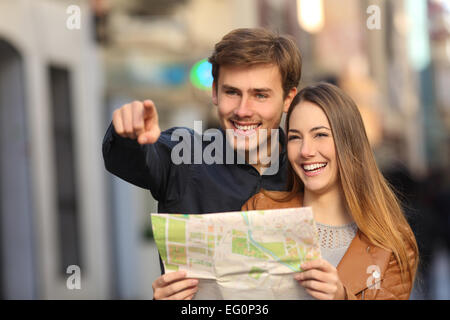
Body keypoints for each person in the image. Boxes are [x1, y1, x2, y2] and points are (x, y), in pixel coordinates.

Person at [102, 28, 301, 300]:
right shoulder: (186, 158)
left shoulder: (307, 170)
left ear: (288, 99)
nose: (243, 110)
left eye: (260, 95)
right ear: (215, 93)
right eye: (232, 92)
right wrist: (129, 132)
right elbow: (134, 157)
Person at [242, 82, 419, 300]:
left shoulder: (391, 242)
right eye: (295, 137)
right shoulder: (261, 211)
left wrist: (340, 297)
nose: (306, 151)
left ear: (349, 142)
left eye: (320, 135)